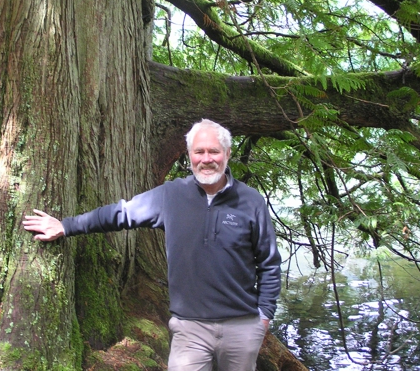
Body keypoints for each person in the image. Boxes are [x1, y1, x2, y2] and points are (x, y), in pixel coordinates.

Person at [22, 119, 282, 371]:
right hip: (190, 328)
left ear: (227, 154)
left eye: (213, 151)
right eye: (198, 151)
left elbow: (268, 262)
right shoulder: (171, 195)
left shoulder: (251, 201)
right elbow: (121, 214)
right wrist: (66, 226)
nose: (206, 159)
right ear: (189, 155)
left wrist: (264, 316)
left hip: (241, 326)